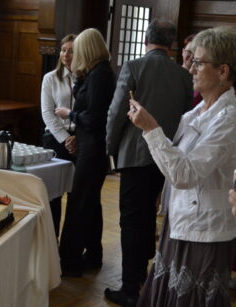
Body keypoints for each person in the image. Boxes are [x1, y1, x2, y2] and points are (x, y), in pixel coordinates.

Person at [128, 26, 236, 306]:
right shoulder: (195, 113)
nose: (190, 69)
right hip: (180, 221)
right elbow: (176, 166)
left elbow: (185, 174)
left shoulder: (229, 119)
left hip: (205, 231)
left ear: (223, 71)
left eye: (198, 63)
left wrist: (151, 128)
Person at [104, 19, 193, 306]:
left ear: (146, 38)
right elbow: (185, 118)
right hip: (167, 157)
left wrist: (110, 147)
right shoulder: (183, 75)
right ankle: (144, 279)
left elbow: (117, 112)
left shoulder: (134, 67)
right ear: (171, 44)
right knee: (148, 221)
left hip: (135, 155)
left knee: (132, 221)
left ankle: (130, 288)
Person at [55, 28, 116, 276]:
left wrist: (69, 114)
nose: (74, 53)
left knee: (79, 203)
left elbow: (94, 118)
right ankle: (93, 254)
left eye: (78, 48)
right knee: (88, 203)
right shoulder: (93, 73)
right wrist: (79, 75)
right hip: (89, 146)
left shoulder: (101, 75)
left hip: (93, 149)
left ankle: (69, 261)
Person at [41, 34, 77, 238]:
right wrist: (66, 138)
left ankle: (69, 246)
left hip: (80, 139)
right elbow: (47, 113)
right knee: (54, 195)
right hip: (55, 138)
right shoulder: (50, 78)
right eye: (64, 50)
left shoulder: (85, 77)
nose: (66, 54)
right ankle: (51, 242)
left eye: (71, 50)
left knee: (76, 195)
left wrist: (77, 137)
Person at [182, 33, 203, 106]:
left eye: (195, 53)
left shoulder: (203, 79)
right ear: (183, 52)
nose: (192, 56)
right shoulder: (173, 74)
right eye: (189, 52)